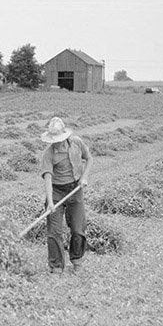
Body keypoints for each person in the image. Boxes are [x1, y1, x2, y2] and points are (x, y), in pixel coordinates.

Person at [38, 117, 91, 276]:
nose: (56, 142)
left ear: (65, 136)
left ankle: (77, 261)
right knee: (54, 231)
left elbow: (89, 159)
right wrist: (50, 202)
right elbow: (47, 177)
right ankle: (56, 266)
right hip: (56, 191)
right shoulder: (48, 154)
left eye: (59, 139)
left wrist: (84, 177)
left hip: (75, 188)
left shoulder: (77, 143)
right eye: (53, 140)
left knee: (78, 228)